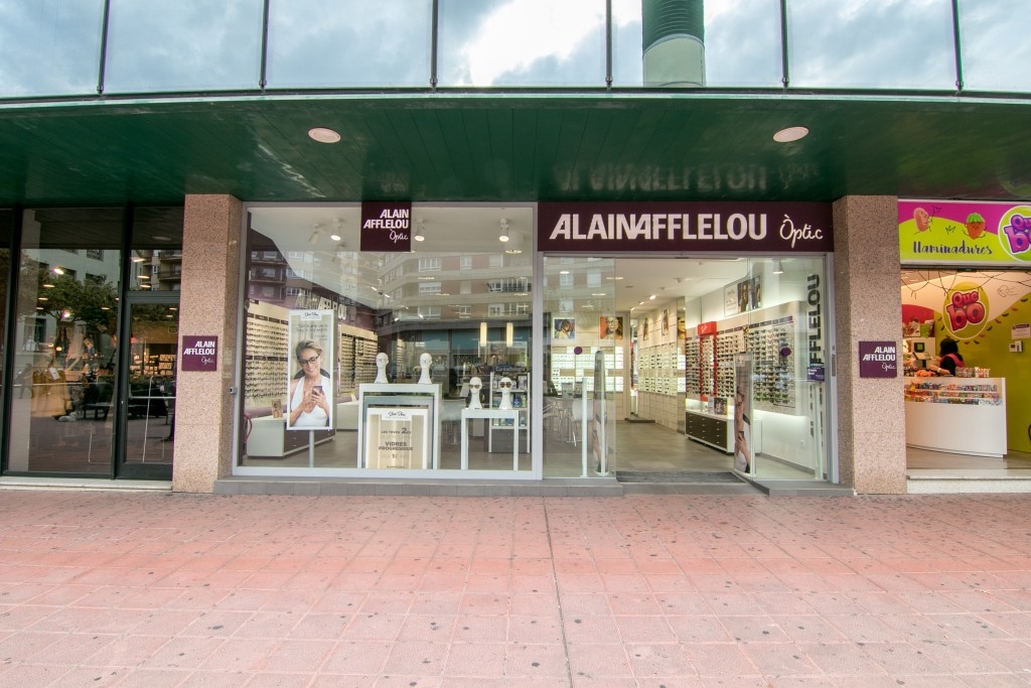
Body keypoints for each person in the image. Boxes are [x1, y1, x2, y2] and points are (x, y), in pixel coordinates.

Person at [288, 339, 331, 428]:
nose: (310, 365)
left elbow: (338, 422)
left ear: (320, 357)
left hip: (321, 436)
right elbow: (286, 424)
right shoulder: (292, 386)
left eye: (313, 359)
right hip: (295, 435)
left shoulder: (330, 385)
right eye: (304, 362)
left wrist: (325, 405)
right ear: (300, 363)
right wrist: (302, 405)